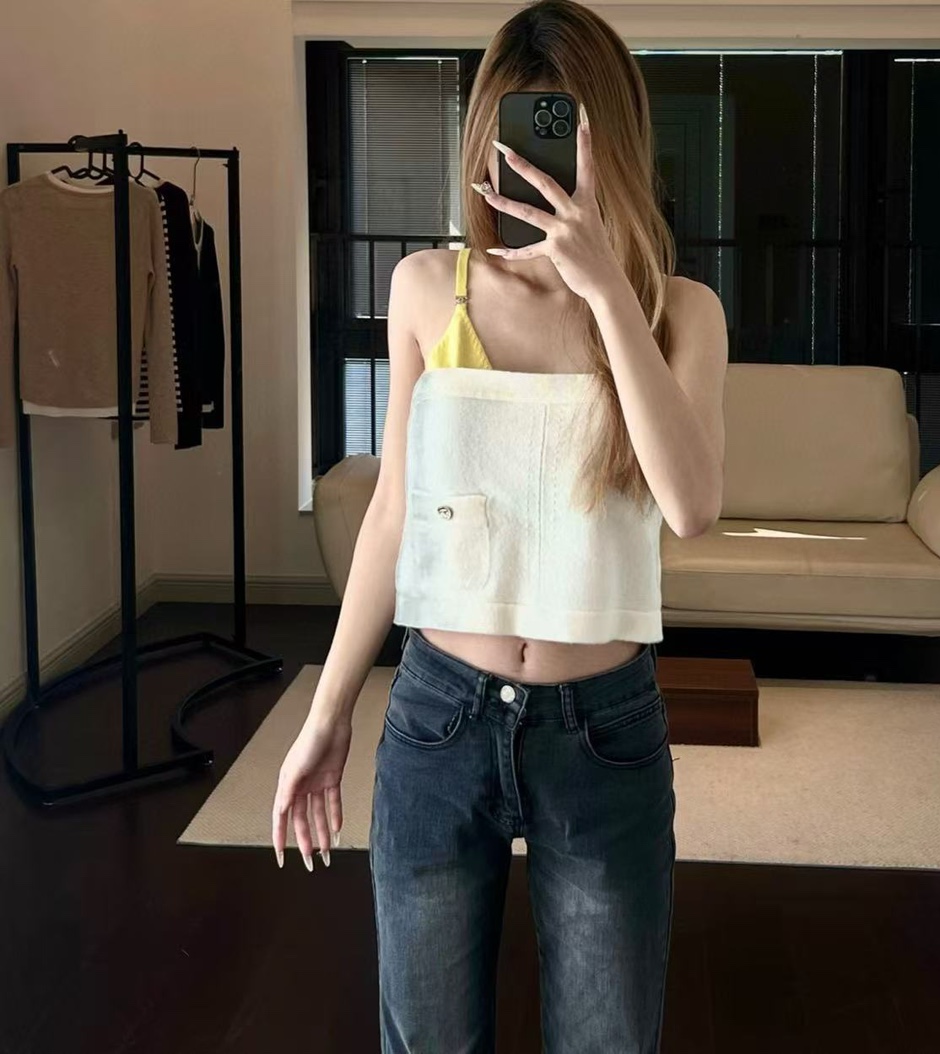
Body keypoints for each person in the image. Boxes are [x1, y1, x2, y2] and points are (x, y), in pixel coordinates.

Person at [273, 1, 727, 1049]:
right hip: (441, 715)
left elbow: (692, 506)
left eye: (563, 133)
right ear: (487, 140)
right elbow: (392, 513)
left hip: (604, 730)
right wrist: (328, 711)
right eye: (521, 132)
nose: (538, 161)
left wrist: (605, 288)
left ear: (614, 140)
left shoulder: (679, 311)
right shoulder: (428, 289)